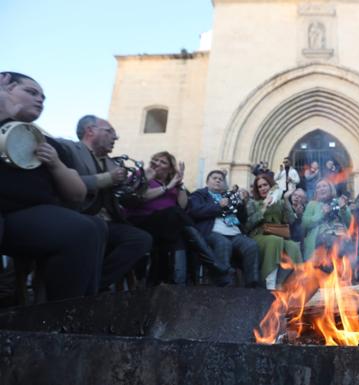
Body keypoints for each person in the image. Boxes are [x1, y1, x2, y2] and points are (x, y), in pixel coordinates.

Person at [0, 72, 106, 301]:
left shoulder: (48, 143)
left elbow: (77, 194)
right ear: (5, 84)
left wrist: (55, 163)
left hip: (24, 216)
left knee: (90, 228)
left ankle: (69, 313)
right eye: (31, 92)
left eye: (43, 97)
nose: (40, 100)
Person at [59, 115, 153, 290]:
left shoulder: (112, 162)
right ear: (90, 131)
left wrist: (142, 182)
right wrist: (107, 178)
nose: (115, 138)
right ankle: (87, 287)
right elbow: (63, 182)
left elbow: (127, 198)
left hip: (109, 222)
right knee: (96, 230)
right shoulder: (69, 148)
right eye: (110, 131)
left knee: (141, 239)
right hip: (80, 217)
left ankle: (96, 283)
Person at [124, 151, 227, 285]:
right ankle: (213, 263)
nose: (157, 163)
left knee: (179, 236)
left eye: (163, 162)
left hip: (167, 227)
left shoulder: (173, 184)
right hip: (143, 220)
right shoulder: (143, 175)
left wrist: (179, 184)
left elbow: (184, 206)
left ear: (170, 169)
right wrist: (167, 187)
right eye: (155, 160)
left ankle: (180, 284)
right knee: (174, 213)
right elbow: (140, 196)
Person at [188, 170, 260, 287]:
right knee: (223, 243)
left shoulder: (229, 196)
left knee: (251, 245)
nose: (218, 180)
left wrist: (241, 204)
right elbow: (195, 211)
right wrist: (218, 206)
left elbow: (242, 219)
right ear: (207, 181)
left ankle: (252, 284)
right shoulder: (199, 194)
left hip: (235, 233)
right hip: (212, 232)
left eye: (220, 179)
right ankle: (223, 283)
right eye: (214, 178)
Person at [245, 174, 302, 288]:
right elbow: (249, 224)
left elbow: (291, 220)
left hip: (279, 234)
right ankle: (269, 282)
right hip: (259, 235)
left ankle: (280, 282)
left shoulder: (280, 202)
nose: (263, 188)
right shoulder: (252, 203)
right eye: (259, 186)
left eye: (265, 185)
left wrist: (285, 199)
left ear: (271, 185)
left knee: (293, 246)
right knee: (274, 241)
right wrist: (263, 208)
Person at [302, 179, 351, 261]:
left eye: (324, 186)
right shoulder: (312, 204)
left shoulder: (338, 202)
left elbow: (349, 223)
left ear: (331, 188)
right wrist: (321, 214)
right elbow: (305, 223)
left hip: (340, 237)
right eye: (318, 187)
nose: (321, 189)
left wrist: (343, 209)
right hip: (319, 240)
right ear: (316, 191)